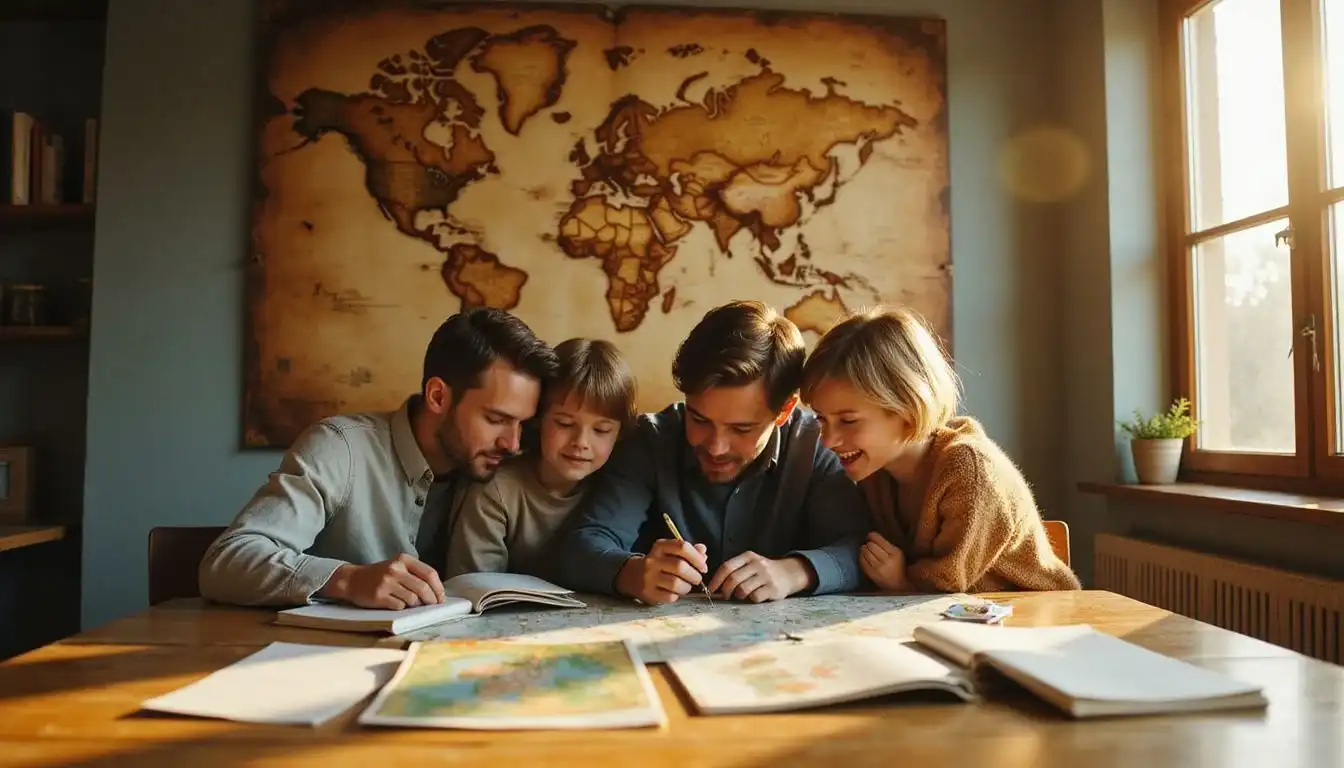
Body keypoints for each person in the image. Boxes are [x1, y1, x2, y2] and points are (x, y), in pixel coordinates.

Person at [198, 307, 558, 609]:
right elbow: (226, 563)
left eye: (522, 424)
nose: (512, 443)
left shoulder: (506, 471)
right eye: (495, 419)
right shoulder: (341, 448)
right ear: (437, 396)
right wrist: (348, 580)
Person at [553, 300, 870, 605]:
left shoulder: (815, 445)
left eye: (741, 429)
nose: (716, 447)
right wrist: (632, 572)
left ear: (785, 409)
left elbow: (858, 549)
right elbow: (582, 545)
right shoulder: (650, 441)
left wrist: (795, 572)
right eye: (699, 419)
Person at [799, 306, 1081, 593]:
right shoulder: (875, 470)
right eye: (821, 419)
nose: (828, 440)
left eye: (848, 420)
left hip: (1034, 622)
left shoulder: (970, 471)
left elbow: (944, 590)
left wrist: (900, 581)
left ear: (908, 409)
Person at [445, 338, 638, 579]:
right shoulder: (494, 490)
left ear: (619, 434)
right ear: (537, 418)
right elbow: (472, 588)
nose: (581, 442)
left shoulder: (619, 490)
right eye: (564, 423)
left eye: (601, 430)